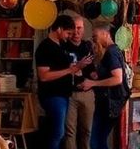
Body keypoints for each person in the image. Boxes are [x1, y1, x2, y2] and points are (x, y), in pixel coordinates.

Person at [37, 15, 93, 149]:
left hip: (63, 94)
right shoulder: (45, 47)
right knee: (58, 133)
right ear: (59, 29)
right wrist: (70, 70)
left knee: (59, 132)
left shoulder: (60, 45)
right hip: (53, 95)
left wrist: (77, 67)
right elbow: (43, 76)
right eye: (68, 33)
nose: (70, 36)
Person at [79, 25, 128, 149]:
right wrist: (96, 75)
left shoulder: (111, 52)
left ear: (105, 34)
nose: (94, 39)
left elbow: (117, 78)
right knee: (99, 139)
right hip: (108, 101)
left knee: (95, 141)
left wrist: (92, 83)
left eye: (95, 36)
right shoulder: (113, 51)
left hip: (109, 102)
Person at [65, 16, 95, 149]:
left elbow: (92, 69)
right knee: (70, 131)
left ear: (83, 30)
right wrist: (76, 67)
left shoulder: (87, 46)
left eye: (79, 28)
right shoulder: (63, 46)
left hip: (86, 92)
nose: (76, 31)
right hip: (69, 93)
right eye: (74, 28)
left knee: (87, 130)